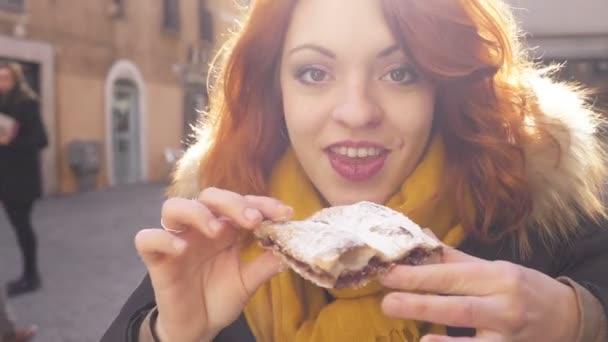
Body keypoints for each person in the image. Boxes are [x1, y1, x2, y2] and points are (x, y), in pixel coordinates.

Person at [102, 0, 608, 341]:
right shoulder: (224, 233)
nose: (357, 111)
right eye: (314, 73)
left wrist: (580, 319)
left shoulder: (544, 215)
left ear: (442, 87)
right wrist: (166, 333)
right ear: (273, 89)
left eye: (400, 72)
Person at [0, 61, 48, 297]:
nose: (2, 83)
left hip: (21, 178)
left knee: (22, 227)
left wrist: (11, 143)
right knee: (18, 226)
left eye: (6, 78)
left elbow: (41, 140)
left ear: (16, 80)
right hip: (4, 176)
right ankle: (29, 275)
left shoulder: (26, 104)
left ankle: (31, 275)